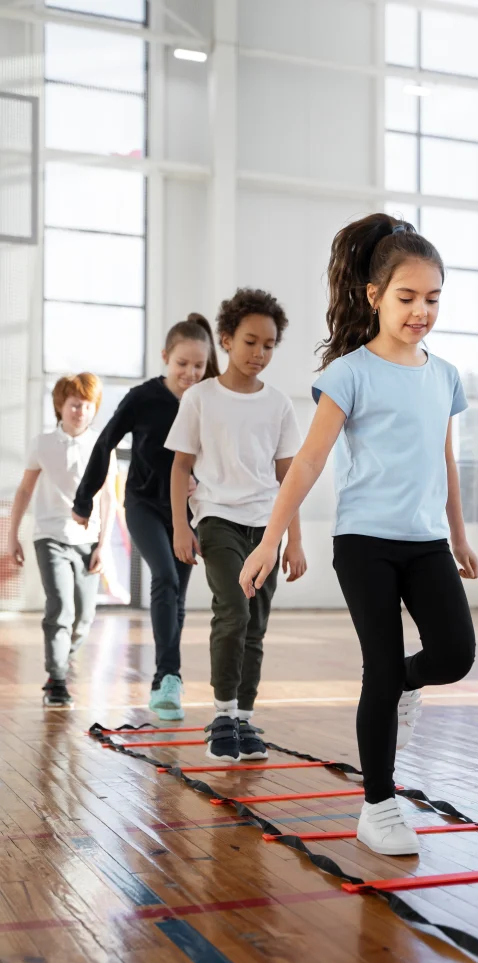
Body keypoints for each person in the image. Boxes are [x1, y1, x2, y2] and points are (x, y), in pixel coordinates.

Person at [239, 216, 478, 856]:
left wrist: (458, 536)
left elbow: (447, 460)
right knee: (379, 666)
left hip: (426, 543)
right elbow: (311, 461)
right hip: (366, 543)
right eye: (407, 298)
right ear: (374, 296)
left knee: (455, 655)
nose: (421, 311)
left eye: (432, 298)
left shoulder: (445, 375)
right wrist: (271, 539)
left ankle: (405, 682)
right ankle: (379, 806)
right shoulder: (349, 373)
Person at [167, 289, 306, 763]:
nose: (259, 354)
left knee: (256, 626)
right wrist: (181, 527)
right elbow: (181, 466)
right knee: (235, 611)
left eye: (269, 345)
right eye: (250, 342)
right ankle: (222, 714)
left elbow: (290, 478)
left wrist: (295, 540)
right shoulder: (201, 398)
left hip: (266, 528)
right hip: (216, 519)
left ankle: (244, 717)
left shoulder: (280, 405)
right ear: (225, 339)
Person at [73, 315, 219, 720]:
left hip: (187, 511)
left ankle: (166, 678)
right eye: (182, 364)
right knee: (165, 578)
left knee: (177, 597)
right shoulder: (142, 398)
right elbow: (105, 442)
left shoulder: (208, 401)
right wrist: (84, 500)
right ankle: (166, 678)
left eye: (198, 366)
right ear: (165, 358)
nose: (190, 373)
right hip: (143, 505)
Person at [9, 373, 116, 706]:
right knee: (61, 607)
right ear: (60, 406)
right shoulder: (42, 443)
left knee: (84, 615)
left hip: (88, 539)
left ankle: (64, 657)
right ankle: (57, 679)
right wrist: (12, 536)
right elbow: (25, 489)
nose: (80, 411)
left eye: (86, 405)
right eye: (74, 404)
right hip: (50, 536)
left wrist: (104, 544)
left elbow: (109, 497)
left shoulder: (102, 446)